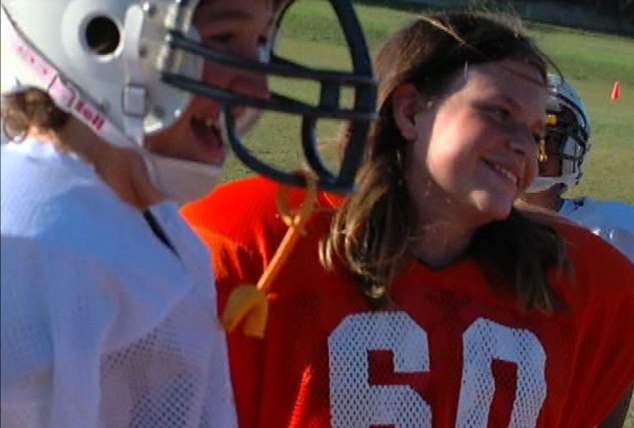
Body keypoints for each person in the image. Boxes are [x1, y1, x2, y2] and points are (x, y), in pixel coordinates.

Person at [182, 11, 634, 427]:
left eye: (533, 132)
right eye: (498, 113)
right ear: (409, 110)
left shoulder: (586, 286)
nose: (523, 146)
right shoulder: (262, 242)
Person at [0, 0, 374, 426]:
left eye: (261, 42)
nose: (258, 88)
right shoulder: (30, 245)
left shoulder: (156, 230)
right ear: (100, 39)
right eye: (223, 38)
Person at [520, 75, 634, 426]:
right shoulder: (454, 227)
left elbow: (617, 368)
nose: (534, 152)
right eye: (521, 135)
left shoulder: (620, 235)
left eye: (549, 139)